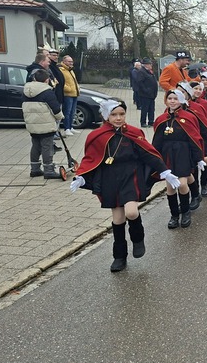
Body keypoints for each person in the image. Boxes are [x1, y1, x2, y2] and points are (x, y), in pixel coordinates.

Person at [70, 100, 180, 272]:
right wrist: (82, 176)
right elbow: (91, 158)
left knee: (131, 212)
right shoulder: (97, 135)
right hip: (110, 178)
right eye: (114, 115)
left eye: (122, 114)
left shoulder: (134, 133)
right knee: (118, 219)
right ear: (106, 116)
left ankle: (138, 238)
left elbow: (148, 153)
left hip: (131, 175)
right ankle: (119, 256)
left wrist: (164, 171)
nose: (118, 118)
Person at [152, 90, 204, 229]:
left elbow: (194, 138)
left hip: (183, 154)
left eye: (175, 98)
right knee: (170, 187)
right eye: (170, 98)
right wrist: (155, 160)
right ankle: (174, 215)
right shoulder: (161, 119)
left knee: (181, 184)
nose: (172, 101)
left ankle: (185, 212)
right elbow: (157, 141)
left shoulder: (188, 117)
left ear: (181, 100)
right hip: (167, 155)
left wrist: (198, 158)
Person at [22, 69, 64, 180]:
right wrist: (60, 117)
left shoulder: (26, 91)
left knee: (35, 145)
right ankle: (49, 170)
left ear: (35, 79)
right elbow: (55, 109)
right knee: (47, 147)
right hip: (46, 125)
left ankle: (34, 169)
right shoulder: (47, 92)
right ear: (47, 80)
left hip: (32, 124)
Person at [59, 54, 80, 137]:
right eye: (69, 61)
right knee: (67, 112)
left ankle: (71, 127)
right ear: (64, 62)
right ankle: (66, 128)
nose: (71, 63)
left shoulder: (70, 70)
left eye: (72, 61)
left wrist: (77, 88)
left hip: (74, 94)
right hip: (67, 94)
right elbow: (61, 82)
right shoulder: (62, 70)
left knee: (72, 112)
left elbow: (74, 81)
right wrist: (69, 89)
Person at [134, 57, 158, 127]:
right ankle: (143, 122)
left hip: (151, 94)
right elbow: (140, 83)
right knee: (145, 109)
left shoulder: (149, 71)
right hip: (145, 95)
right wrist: (146, 90)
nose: (151, 65)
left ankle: (151, 121)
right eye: (150, 64)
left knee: (151, 109)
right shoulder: (141, 72)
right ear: (145, 65)